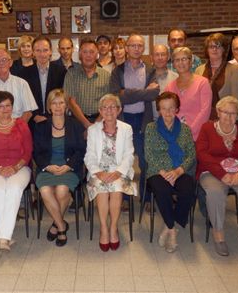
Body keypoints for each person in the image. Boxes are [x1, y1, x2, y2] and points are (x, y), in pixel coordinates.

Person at [197, 96, 238, 257]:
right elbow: (202, 154)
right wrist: (222, 173)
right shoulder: (207, 128)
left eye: (234, 113)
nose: (229, 117)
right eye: (225, 112)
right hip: (213, 172)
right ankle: (218, 235)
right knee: (215, 193)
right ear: (218, 112)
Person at [110, 34, 160, 207]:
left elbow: (154, 94)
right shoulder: (118, 71)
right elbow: (117, 96)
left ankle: (146, 197)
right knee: (124, 160)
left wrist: (128, 93)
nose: (136, 48)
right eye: (133, 45)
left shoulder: (150, 70)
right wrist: (142, 92)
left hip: (143, 120)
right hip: (124, 121)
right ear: (126, 48)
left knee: (145, 160)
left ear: (143, 48)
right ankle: (124, 198)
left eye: (140, 45)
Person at [0, 91, 33, 250]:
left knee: (13, 189)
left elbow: (28, 152)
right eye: (1, 106)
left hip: (20, 168)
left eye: (8, 105)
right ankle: (4, 237)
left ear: (12, 106)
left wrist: (15, 167)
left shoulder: (22, 125)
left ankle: (2, 237)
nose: (5, 109)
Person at [84, 94, 137, 252]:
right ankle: (103, 228)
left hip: (119, 170)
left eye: (113, 107)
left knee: (116, 189)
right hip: (98, 170)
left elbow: (129, 154)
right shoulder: (93, 130)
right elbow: (90, 155)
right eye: (105, 107)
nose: (109, 110)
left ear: (119, 110)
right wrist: (98, 172)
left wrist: (119, 172)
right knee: (101, 188)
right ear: (100, 110)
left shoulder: (126, 128)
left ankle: (113, 228)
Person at [33, 89, 86, 246]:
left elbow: (81, 150)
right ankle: (61, 225)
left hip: (69, 168)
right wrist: (47, 166)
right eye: (54, 103)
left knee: (62, 190)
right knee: (45, 191)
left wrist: (68, 166)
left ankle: (56, 225)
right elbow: (37, 152)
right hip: (47, 167)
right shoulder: (41, 126)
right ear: (49, 106)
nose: (57, 106)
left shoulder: (76, 125)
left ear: (66, 106)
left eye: (61, 102)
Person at [144, 92, 196, 253]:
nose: (167, 112)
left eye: (171, 108)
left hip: (179, 170)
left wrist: (178, 171)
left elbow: (191, 154)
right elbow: (149, 154)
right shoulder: (151, 128)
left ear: (177, 109)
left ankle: (168, 225)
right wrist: (165, 173)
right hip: (157, 171)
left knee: (188, 189)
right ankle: (172, 230)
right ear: (159, 110)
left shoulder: (185, 129)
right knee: (163, 190)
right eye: (163, 108)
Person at [0, 48, 37, 125]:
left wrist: (16, 129)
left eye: (4, 59)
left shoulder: (22, 84)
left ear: (10, 62)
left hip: (18, 129)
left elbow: (28, 112)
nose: (1, 63)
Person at [17, 36, 66, 128]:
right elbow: (23, 99)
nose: (42, 54)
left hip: (55, 120)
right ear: (33, 52)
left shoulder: (61, 71)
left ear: (50, 51)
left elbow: (62, 96)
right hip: (32, 121)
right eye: (38, 50)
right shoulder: (24, 74)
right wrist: (35, 115)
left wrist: (51, 116)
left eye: (45, 50)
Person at [165, 47, 212, 141]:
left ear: (191, 62)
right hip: (175, 136)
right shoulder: (169, 87)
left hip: (197, 136)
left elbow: (205, 111)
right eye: (177, 60)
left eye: (184, 59)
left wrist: (188, 131)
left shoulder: (202, 83)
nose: (180, 63)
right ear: (173, 64)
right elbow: (167, 112)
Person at [63, 38, 111, 129]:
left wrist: (95, 125)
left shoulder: (106, 76)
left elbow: (107, 103)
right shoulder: (71, 74)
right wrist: (86, 124)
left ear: (97, 55)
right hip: (76, 122)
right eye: (85, 52)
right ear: (80, 55)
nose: (88, 55)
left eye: (92, 52)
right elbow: (70, 101)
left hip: (100, 122)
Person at [195, 33, 238, 119]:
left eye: (218, 46)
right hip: (203, 116)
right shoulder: (199, 70)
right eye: (211, 47)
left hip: (225, 117)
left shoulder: (233, 69)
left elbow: (235, 99)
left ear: (223, 49)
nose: (214, 49)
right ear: (207, 50)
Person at [149, 44, 178, 121]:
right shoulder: (146, 78)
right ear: (151, 57)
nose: (160, 58)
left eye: (163, 54)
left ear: (168, 57)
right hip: (150, 122)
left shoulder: (176, 78)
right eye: (157, 55)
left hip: (171, 121)